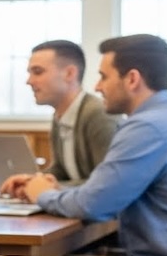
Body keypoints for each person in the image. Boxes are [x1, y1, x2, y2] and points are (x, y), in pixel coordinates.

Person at [1, 34, 167, 256]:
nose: (97, 86)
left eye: (104, 76)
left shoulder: (147, 128)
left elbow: (92, 205)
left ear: (132, 79)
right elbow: (103, 191)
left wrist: (41, 194)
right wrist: (54, 189)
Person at [25, 39, 119, 185]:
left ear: (69, 73)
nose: (29, 81)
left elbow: (108, 184)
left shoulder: (98, 114)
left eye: (38, 72)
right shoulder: (60, 116)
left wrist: (50, 187)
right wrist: (30, 181)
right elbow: (61, 170)